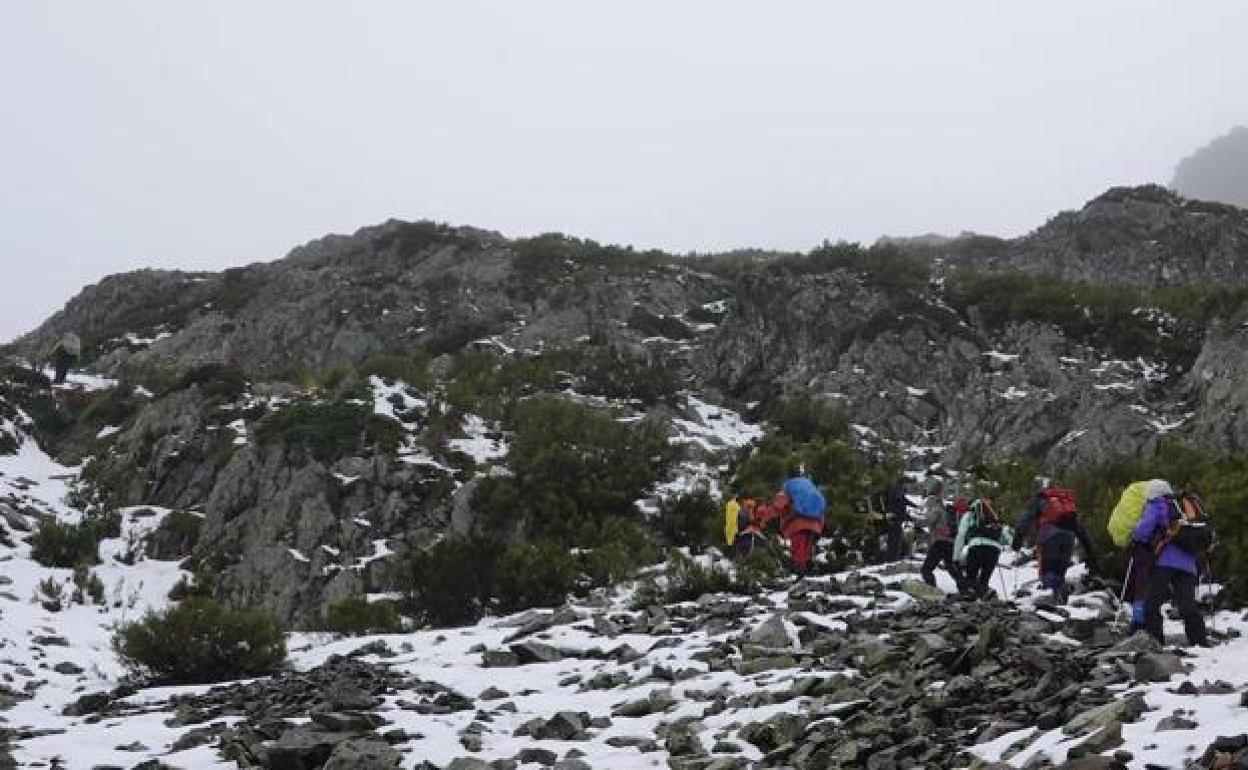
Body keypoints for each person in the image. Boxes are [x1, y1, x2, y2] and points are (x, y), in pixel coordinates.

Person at [1132, 483, 1210, 647]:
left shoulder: (1158, 503)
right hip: (1189, 563)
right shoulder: (1186, 505)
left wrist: (1136, 534)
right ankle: (1200, 642)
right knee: (1187, 605)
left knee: (1152, 604)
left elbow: (1143, 531)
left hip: (1165, 561)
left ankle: (1155, 642)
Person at [1015, 485, 1097, 604]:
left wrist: (1017, 540)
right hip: (1069, 538)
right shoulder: (1066, 507)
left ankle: (1054, 600)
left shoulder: (1042, 500)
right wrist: (1091, 553)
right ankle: (1060, 602)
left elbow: (1026, 519)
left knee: (1047, 573)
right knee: (1059, 573)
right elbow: (1079, 528)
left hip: (1049, 537)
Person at [757, 469, 825, 577]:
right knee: (807, 552)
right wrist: (819, 528)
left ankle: (801, 576)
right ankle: (809, 574)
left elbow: (778, 507)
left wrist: (761, 514)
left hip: (797, 524)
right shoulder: (812, 491)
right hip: (814, 525)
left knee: (798, 552)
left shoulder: (787, 489)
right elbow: (821, 511)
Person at [1123, 479, 1169, 633]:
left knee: (1141, 587)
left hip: (1147, 551)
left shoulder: (1155, 505)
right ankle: (1153, 624)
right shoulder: (1174, 506)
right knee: (1154, 590)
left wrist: (1135, 534)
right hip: (1164, 554)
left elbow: (1144, 530)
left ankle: (1138, 623)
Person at [954, 496, 1013, 598]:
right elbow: (1006, 535)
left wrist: (956, 556)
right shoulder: (994, 517)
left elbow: (961, 534)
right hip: (994, 549)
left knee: (971, 578)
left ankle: (973, 601)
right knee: (984, 580)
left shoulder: (970, 514)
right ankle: (985, 600)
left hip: (977, 546)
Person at [919, 476, 965, 590]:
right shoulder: (946, 507)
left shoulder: (935, 504)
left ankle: (932, 591)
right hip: (950, 541)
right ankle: (965, 588)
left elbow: (930, 520)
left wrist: (916, 521)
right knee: (952, 568)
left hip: (939, 541)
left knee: (926, 569)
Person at [883, 475, 909, 561]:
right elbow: (899, 504)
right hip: (895, 519)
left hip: (894, 518)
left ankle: (892, 558)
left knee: (893, 540)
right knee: (895, 540)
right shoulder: (898, 490)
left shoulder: (896, 490)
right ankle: (893, 559)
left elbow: (904, 501)